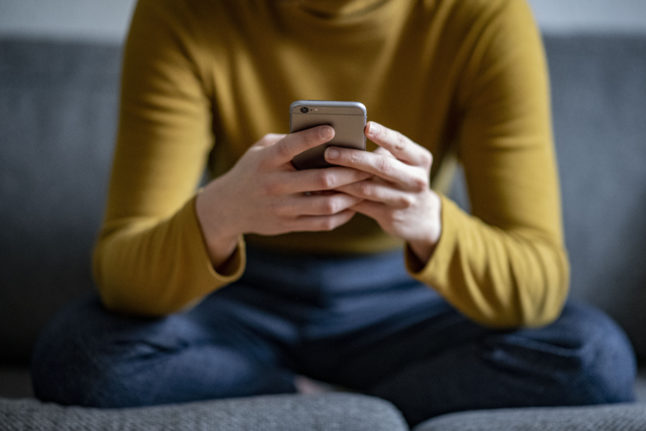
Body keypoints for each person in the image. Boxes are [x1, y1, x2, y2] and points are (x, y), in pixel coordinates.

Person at [31, 0, 636, 426]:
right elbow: (121, 272)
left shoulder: (484, 16)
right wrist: (219, 214)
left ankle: (318, 404)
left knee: (595, 357)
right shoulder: (183, 11)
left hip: (408, 299)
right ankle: (320, 400)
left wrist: (430, 223)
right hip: (241, 296)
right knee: (78, 355)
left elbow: (538, 283)